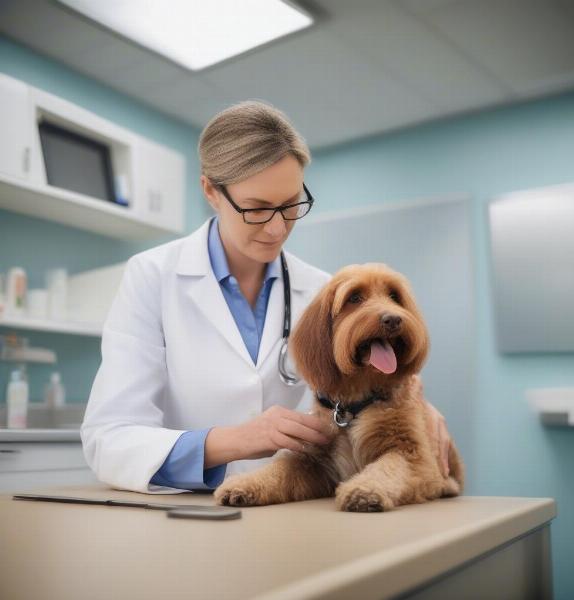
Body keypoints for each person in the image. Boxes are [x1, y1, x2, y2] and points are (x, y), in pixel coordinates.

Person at [80, 100, 451, 494]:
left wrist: (412, 407)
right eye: (257, 209)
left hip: (295, 512)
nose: (277, 228)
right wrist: (234, 440)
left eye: (291, 205)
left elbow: (355, 393)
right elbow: (109, 438)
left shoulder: (322, 290)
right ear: (211, 191)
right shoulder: (152, 277)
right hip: (185, 512)